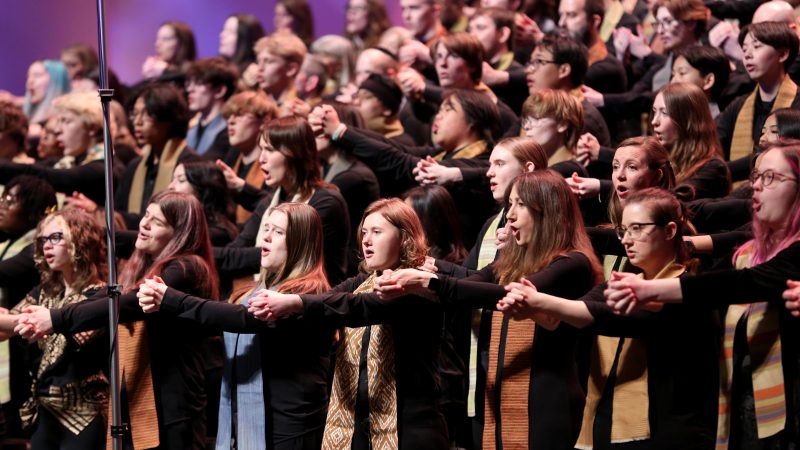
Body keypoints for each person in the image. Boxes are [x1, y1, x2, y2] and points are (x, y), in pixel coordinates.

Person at [374, 171, 602, 449]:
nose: (510, 216)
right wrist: (419, 280)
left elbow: (510, 293)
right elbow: (467, 287)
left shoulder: (572, 263)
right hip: (500, 396)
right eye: (510, 205)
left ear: (548, 211)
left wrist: (427, 281)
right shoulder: (508, 265)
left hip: (548, 399)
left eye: (521, 205)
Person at [604, 144, 800, 449]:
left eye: (771, 177)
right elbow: (710, 285)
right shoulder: (750, 254)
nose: (756, 186)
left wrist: (649, 288)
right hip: (745, 408)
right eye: (756, 175)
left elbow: (740, 284)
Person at [16, 191, 219, 449]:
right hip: (142, 398)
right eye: (146, 215)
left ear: (179, 232)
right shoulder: (147, 267)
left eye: (156, 222)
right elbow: (106, 296)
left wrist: (57, 318)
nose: (143, 224)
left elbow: (128, 304)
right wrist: (38, 317)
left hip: (174, 402)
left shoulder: (186, 268)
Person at [249, 198, 450, 449]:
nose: (366, 240)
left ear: (405, 238)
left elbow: (361, 307)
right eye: (364, 232)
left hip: (411, 429)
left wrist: (294, 302)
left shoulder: (419, 286)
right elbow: (328, 300)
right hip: (359, 428)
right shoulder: (362, 282)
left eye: (377, 232)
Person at [137, 203, 333, 449]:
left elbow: (242, 319)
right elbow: (220, 319)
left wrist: (171, 299)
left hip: (289, 429)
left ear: (301, 242)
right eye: (267, 229)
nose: (266, 238)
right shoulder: (253, 292)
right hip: (245, 425)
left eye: (279, 232)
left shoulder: (306, 294)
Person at [0, 209, 108, 449]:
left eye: (56, 237)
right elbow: (5, 330)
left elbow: (30, 326)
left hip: (82, 418)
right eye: (43, 239)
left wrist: (16, 321)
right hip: (47, 414)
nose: (47, 245)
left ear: (81, 240)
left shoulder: (101, 296)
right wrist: (13, 321)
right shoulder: (45, 293)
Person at [216, 116, 350, 285]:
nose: (261, 159)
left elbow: (284, 256)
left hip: (308, 302)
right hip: (270, 296)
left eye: (270, 150)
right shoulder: (271, 201)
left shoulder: (325, 202)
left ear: (295, 154)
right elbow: (234, 253)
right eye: (261, 149)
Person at [0, 92, 107, 204]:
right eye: (59, 121)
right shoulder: (67, 161)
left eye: (66, 121)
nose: (57, 130)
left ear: (92, 127)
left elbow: (49, 176)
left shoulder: (103, 169)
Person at [651, 82, 730, 200]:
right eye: (654, 111)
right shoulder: (660, 159)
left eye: (664, 113)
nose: (654, 121)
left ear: (688, 121)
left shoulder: (713, 169)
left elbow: (671, 203)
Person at [215, 90, 279, 224]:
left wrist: (240, 187)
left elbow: (276, 206)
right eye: (229, 116)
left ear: (265, 120)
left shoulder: (275, 164)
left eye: (239, 115)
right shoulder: (232, 156)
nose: (230, 121)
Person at [169, 160, 238, 246]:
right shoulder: (181, 224)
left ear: (202, 190)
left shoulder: (216, 234)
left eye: (181, 180)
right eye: (172, 179)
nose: (170, 186)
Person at [184, 57, 239, 160]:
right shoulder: (192, 127)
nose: (190, 90)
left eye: (199, 83)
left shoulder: (230, 129)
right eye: (189, 84)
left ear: (219, 91)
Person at [254, 31, 308, 115]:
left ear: (291, 69)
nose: (259, 68)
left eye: (268, 62)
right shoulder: (254, 105)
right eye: (258, 62)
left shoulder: (302, 110)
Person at [23, 60, 71, 137]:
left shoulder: (62, 122)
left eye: (37, 75)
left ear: (56, 81)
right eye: (29, 76)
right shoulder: (27, 117)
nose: (30, 81)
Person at [218, 14, 265, 88]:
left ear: (245, 38)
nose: (222, 35)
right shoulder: (219, 70)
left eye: (230, 32)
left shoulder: (254, 74)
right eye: (223, 30)